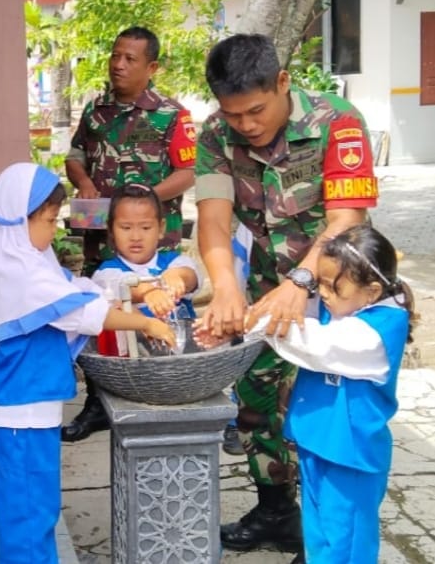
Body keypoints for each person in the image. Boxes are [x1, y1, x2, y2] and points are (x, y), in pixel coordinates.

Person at [195, 34, 378, 558]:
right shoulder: (214, 135)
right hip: (262, 288)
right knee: (254, 405)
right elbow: (213, 219)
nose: (246, 125)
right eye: (234, 116)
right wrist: (227, 287)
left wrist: (300, 284)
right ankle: (277, 512)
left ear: (282, 82)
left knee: (326, 418)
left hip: (338, 291)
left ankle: (328, 539)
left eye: (255, 110)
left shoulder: (336, 122)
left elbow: (346, 221)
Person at [0, 162, 175, 564]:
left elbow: (79, 291)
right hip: (22, 414)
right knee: (28, 517)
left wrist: (137, 295)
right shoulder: (20, 271)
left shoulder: (31, 261)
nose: (52, 230)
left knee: (36, 510)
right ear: (14, 221)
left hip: (31, 409)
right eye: (47, 221)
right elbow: (79, 313)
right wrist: (144, 321)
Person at [197, 225, 413, 564]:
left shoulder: (379, 330)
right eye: (321, 283)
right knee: (318, 533)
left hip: (350, 455)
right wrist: (234, 325)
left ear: (371, 291)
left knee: (346, 541)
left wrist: (243, 320)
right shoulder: (345, 303)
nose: (321, 293)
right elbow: (290, 312)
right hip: (318, 444)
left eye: (331, 286)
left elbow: (312, 344)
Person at [62, 25, 196, 442]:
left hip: (153, 236)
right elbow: (75, 155)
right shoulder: (95, 109)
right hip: (102, 234)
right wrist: (82, 180)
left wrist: (142, 203)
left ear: (151, 66)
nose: (118, 65)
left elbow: (189, 171)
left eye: (130, 59)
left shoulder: (172, 115)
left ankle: (162, 389)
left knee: (155, 311)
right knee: (101, 313)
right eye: (115, 56)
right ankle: (98, 403)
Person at [90, 183, 201, 356]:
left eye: (146, 228)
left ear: (161, 228)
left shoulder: (175, 262)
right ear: (111, 229)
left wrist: (177, 276)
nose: (136, 237)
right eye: (126, 228)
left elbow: (191, 276)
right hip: (136, 365)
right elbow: (121, 285)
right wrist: (149, 292)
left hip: (184, 360)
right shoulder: (105, 273)